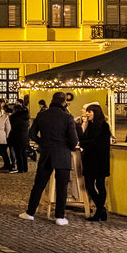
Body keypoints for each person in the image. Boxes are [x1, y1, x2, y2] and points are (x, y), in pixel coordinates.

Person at [19, 92, 79, 225]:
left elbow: (32, 134)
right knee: (62, 186)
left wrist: (43, 142)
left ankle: (30, 212)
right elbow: (73, 140)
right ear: (64, 102)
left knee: (39, 184)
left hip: (46, 153)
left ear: (52, 100)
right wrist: (68, 146)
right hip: (62, 154)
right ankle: (59, 216)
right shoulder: (68, 117)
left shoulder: (42, 115)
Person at [76, 103, 112, 221]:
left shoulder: (104, 126)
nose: (87, 114)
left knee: (100, 185)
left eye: (89, 111)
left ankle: (99, 212)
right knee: (89, 186)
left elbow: (98, 143)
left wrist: (83, 144)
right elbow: (85, 139)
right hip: (90, 160)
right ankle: (101, 209)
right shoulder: (90, 125)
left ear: (95, 112)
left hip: (100, 160)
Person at [7, 101, 31, 173]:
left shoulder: (14, 117)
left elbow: (10, 127)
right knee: (23, 153)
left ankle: (20, 169)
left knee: (18, 153)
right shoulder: (26, 117)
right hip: (25, 136)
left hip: (16, 136)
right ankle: (25, 168)